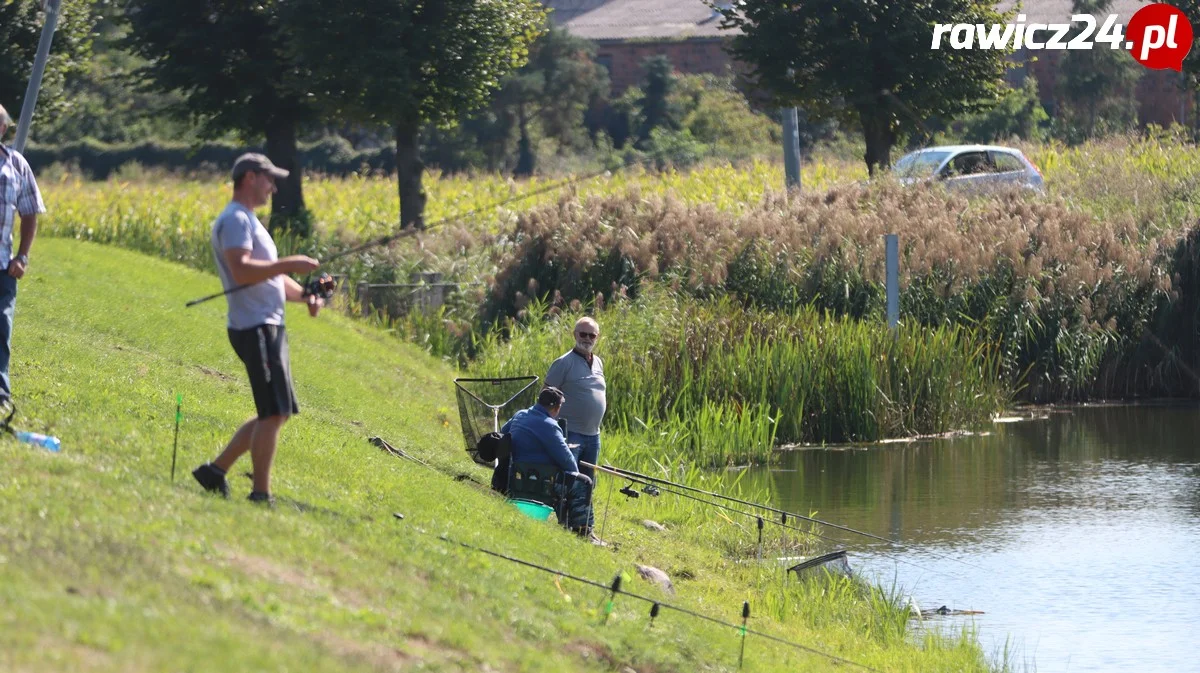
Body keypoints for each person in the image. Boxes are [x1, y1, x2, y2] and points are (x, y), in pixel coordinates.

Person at [191, 153, 323, 504]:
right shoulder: (235, 220)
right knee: (274, 412)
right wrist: (290, 262)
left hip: (267, 326)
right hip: (255, 327)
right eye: (269, 179)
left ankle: (215, 471)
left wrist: (307, 294)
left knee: (275, 411)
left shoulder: (248, 220)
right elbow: (243, 271)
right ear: (249, 178)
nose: (273, 187)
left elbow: (273, 279)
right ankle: (260, 494)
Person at [501, 386, 596, 536]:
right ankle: (583, 531)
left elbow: (503, 433)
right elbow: (568, 461)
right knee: (583, 482)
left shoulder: (520, 415)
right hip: (541, 480)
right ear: (556, 407)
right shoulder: (550, 426)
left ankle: (570, 524)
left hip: (515, 475)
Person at [0, 104, 46, 401]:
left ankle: (0, 394)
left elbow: (30, 213)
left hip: (4, 265)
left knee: (1, 328)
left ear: (3, 128)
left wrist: (23, 256)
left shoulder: (16, 164)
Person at [544, 317, 606, 480]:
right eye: (583, 334)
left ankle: (582, 507)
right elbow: (545, 397)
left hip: (594, 436)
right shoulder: (564, 362)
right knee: (567, 479)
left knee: (587, 483)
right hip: (570, 434)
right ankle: (561, 506)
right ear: (575, 335)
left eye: (591, 335)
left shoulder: (598, 362)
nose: (587, 339)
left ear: (597, 337)